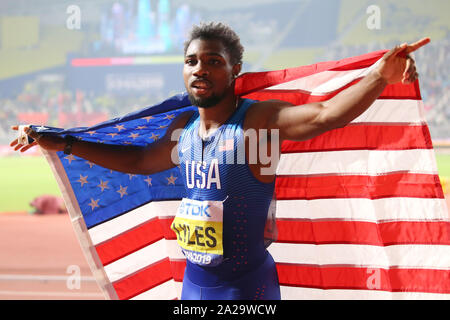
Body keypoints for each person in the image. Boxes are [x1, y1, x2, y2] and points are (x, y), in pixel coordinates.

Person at [10, 22, 429, 300]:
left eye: (213, 61)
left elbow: (324, 116)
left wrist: (378, 76)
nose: (199, 69)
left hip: (245, 290)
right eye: (192, 61)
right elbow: (139, 160)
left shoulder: (256, 121)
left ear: (235, 70)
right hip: (194, 286)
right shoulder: (184, 128)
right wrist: (62, 142)